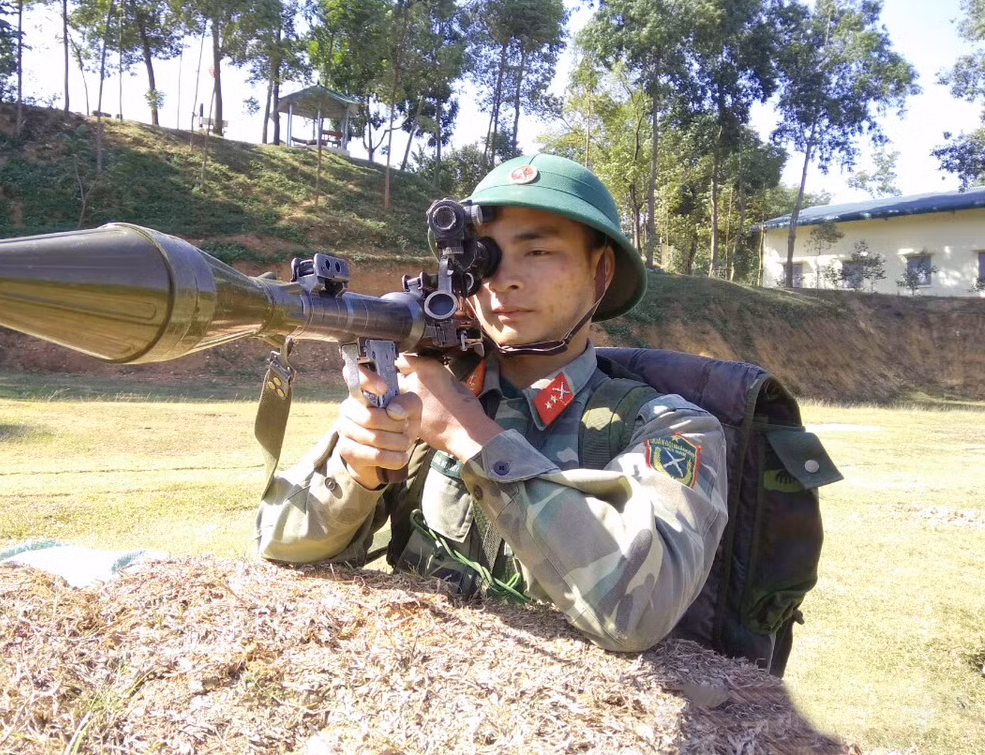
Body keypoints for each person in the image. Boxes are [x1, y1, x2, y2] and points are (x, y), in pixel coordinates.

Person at [255, 153, 727, 652]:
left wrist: (467, 433)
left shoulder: (672, 428)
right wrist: (358, 473)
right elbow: (280, 544)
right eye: (484, 258)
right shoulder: (425, 392)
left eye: (538, 251)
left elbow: (640, 610)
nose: (504, 280)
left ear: (601, 271)